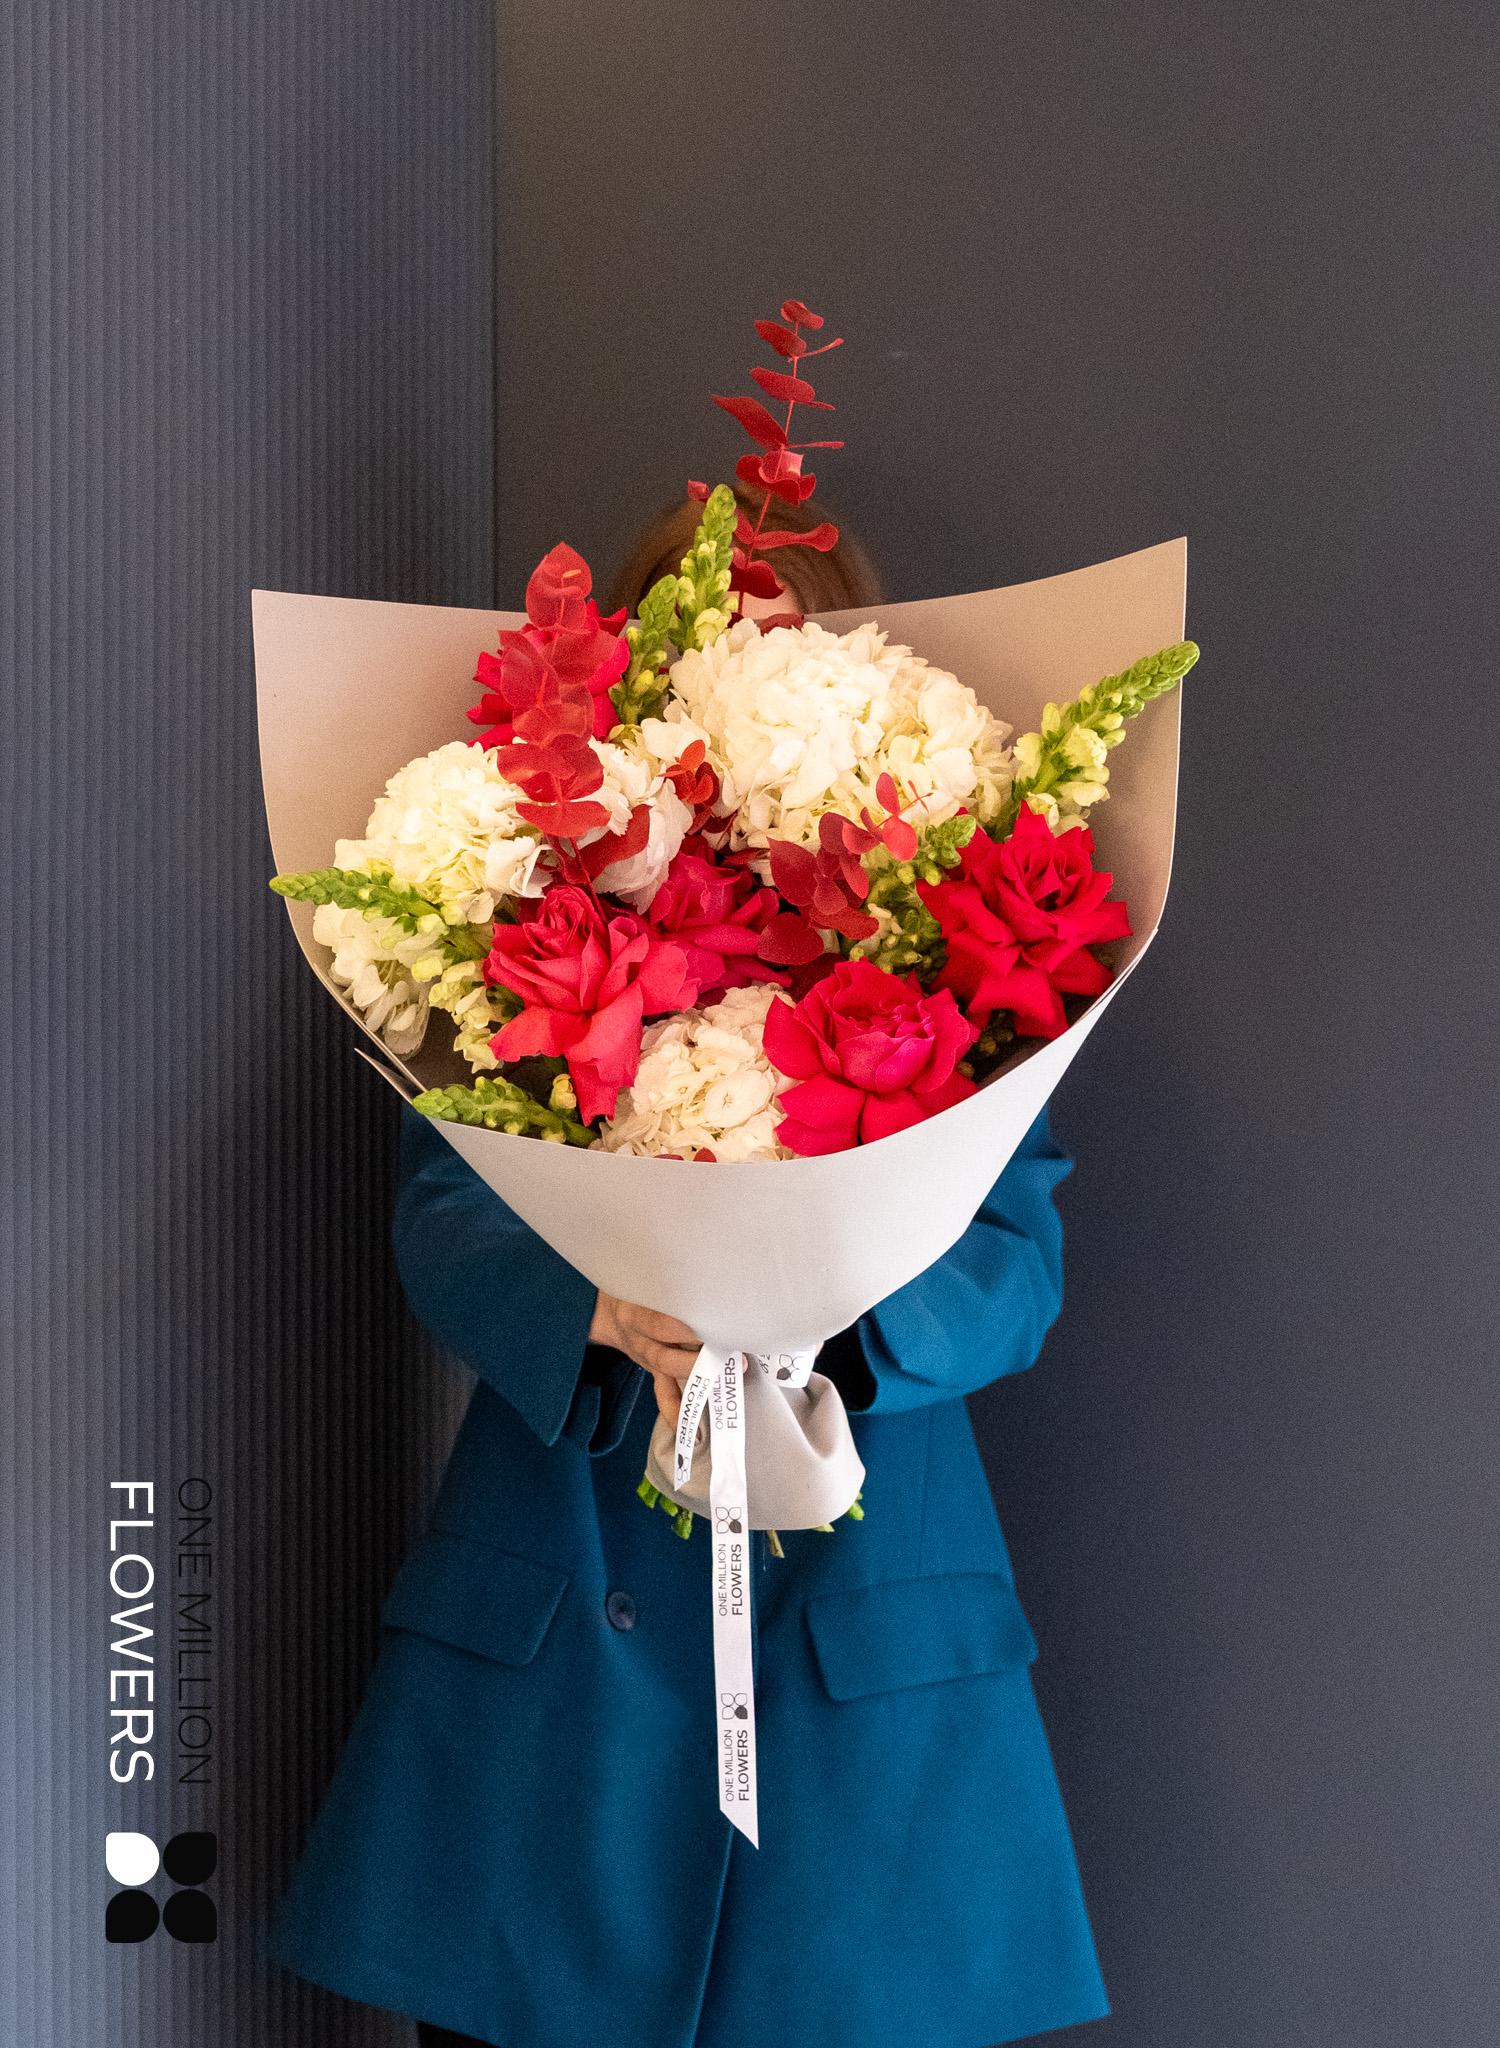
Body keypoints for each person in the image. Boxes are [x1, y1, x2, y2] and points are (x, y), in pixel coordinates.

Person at [269, 509, 1110, 2048]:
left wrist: (846, 1316)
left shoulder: (954, 958)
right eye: (705, 640)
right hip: (557, 1644)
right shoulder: (531, 919)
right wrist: (595, 1310)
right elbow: (444, 1205)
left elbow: (1018, 1265)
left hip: (865, 1659)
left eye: (781, 646)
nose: (744, 677)